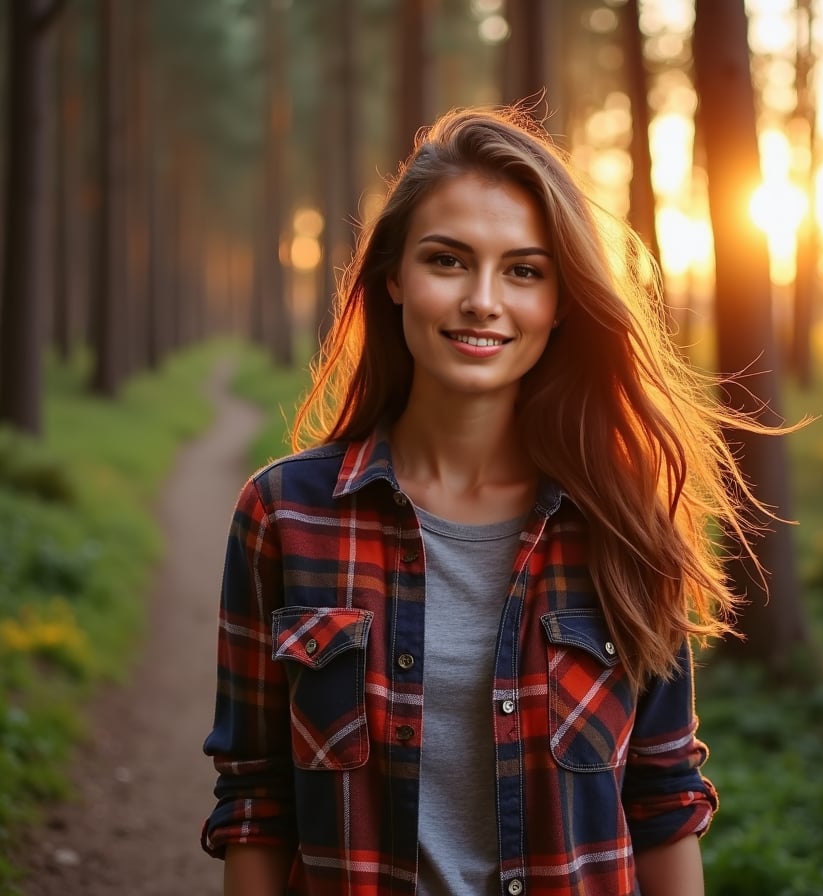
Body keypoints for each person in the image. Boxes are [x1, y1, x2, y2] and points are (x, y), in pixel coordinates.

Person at [202, 105, 768, 895]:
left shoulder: (626, 523)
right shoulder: (285, 516)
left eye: (524, 271)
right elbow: (257, 801)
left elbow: (663, 804)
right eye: (448, 261)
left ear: (561, 300)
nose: (483, 300)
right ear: (394, 277)